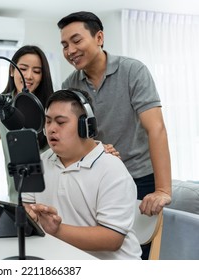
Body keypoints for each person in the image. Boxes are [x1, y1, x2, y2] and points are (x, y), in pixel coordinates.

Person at [56, 11, 172, 258]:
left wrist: (162, 189)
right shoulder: (70, 85)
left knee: (136, 253)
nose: (70, 50)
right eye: (65, 45)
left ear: (99, 37)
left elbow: (156, 129)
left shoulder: (133, 71)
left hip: (141, 178)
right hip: (99, 180)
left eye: (76, 41)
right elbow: (78, 136)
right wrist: (97, 147)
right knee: (98, 253)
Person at [24, 88, 142, 260]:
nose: (51, 129)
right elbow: (27, 206)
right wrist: (30, 214)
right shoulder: (37, 162)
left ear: (85, 126)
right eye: (48, 122)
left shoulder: (112, 170)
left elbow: (112, 239)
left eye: (61, 122)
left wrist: (57, 230)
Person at [0, 45, 54, 212]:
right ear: (12, 71)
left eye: (37, 71)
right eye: (23, 68)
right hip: (18, 197)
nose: (29, 76)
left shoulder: (51, 106)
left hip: (51, 196)